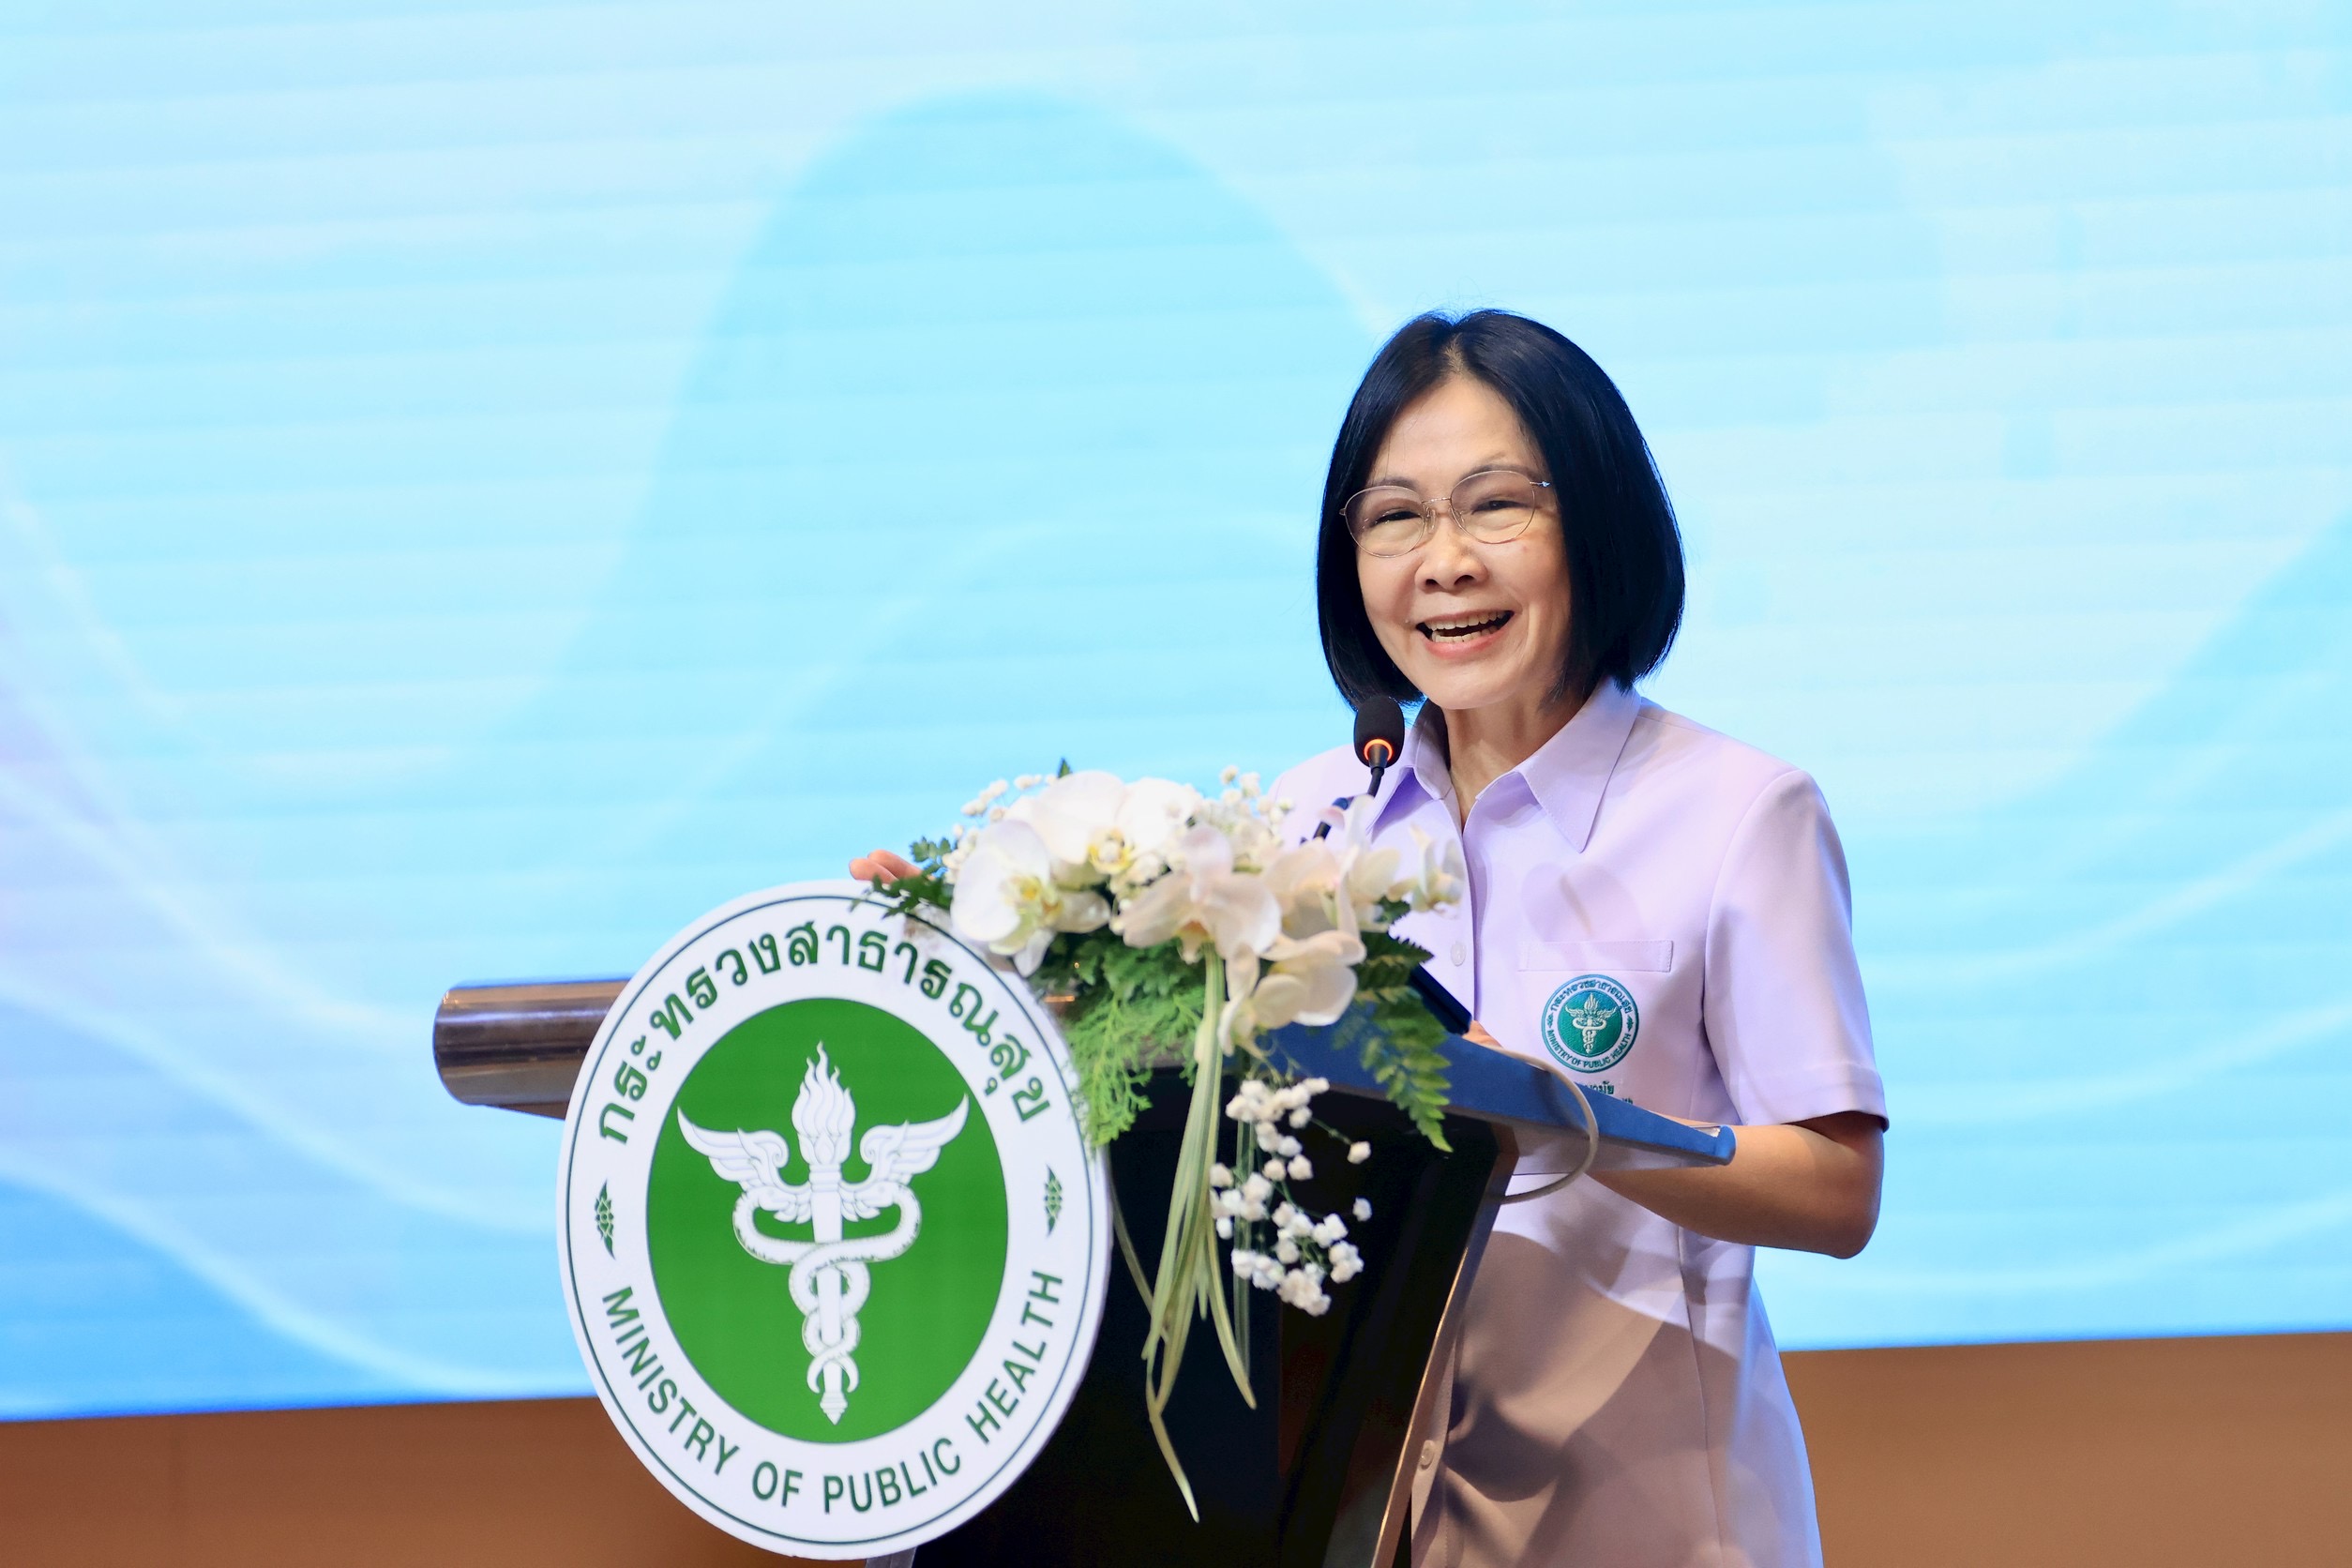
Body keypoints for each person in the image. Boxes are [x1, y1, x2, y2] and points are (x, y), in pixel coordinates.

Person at [855, 309, 1884, 1568]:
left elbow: (1836, 1189)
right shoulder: (1304, 827)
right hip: (1345, 1521)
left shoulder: (1738, 812)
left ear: (1598, 521)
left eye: (1495, 506)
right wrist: (1001, 967)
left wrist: (1563, 1119)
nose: (1443, 563)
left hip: (1638, 1522)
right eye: (1395, 517)